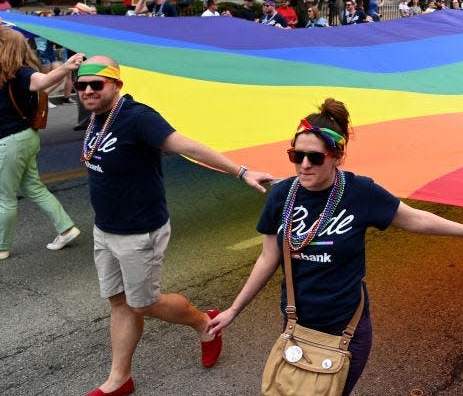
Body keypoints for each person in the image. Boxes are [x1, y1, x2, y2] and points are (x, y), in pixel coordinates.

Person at [206, 98, 463, 396]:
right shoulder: (282, 195)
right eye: (296, 156)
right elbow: (267, 258)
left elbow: (416, 219)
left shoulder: (360, 192)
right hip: (297, 326)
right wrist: (234, 310)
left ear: (337, 156)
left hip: (346, 330)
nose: (304, 165)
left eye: (315, 157)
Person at [76, 56, 274, 396]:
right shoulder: (97, 119)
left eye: (98, 83)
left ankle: (203, 323)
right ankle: (119, 379)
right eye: (82, 85)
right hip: (105, 230)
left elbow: (188, 146)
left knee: (142, 303)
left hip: (140, 232)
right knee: (119, 301)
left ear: (117, 84)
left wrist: (241, 172)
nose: (89, 90)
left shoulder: (138, 118)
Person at [0, 29, 84, 260]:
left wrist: (66, 67)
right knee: (33, 187)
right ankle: (66, 229)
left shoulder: (22, 74)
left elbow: (43, 82)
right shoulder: (8, 73)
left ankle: (2, 247)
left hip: (11, 141)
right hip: (25, 137)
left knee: (4, 196)